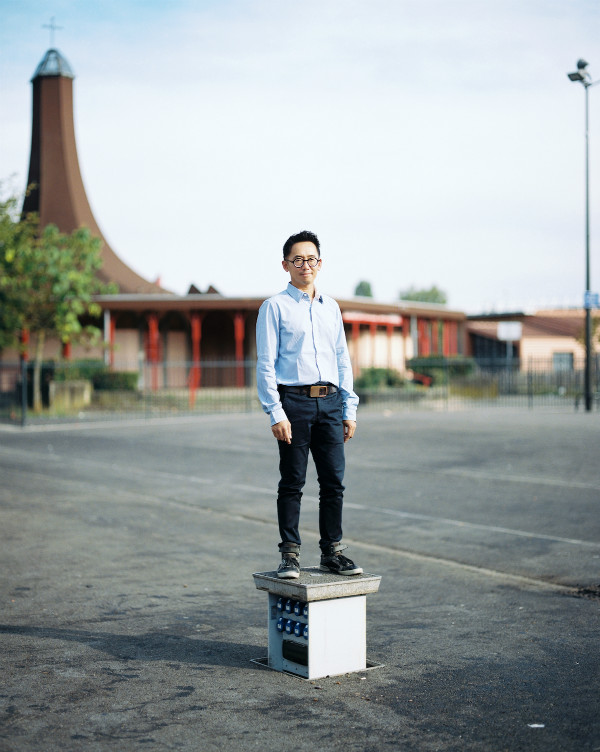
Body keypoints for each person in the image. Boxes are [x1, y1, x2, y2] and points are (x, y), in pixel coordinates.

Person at [256, 230, 363, 579]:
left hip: (330, 404)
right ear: (285, 264)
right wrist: (276, 411)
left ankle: (332, 551)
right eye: (298, 259)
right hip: (295, 405)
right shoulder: (274, 307)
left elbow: (342, 360)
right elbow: (265, 364)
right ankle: (289, 555)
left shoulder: (331, 308)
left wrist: (349, 408)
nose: (306, 265)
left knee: (334, 482)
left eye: (311, 259)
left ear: (321, 263)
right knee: (293, 482)